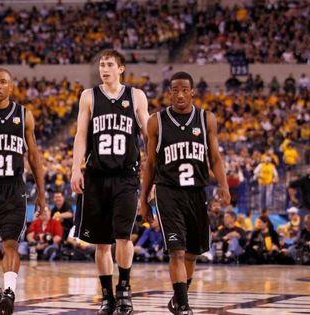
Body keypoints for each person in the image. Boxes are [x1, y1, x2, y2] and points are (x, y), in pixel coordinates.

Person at [139, 72, 230, 314]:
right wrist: (144, 200)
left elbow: (215, 158)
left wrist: (223, 186)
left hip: (197, 193)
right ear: (170, 93)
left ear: (192, 92)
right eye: (175, 90)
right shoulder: (156, 122)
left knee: (192, 254)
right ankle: (184, 307)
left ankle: (178, 299)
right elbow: (150, 164)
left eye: (184, 90)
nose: (179, 94)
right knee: (177, 251)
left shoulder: (206, 119)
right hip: (168, 192)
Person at [70, 49, 149, 314]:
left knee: (124, 237)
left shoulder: (136, 96)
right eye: (102, 64)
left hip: (126, 175)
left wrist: (154, 168)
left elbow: (149, 134)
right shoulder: (89, 96)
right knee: (102, 243)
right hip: (96, 175)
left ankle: (124, 290)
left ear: (121, 68)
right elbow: (81, 135)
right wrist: (75, 169)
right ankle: (107, 295)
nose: (104, 68)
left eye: (110, 64)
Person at [0, 68, 46, 315]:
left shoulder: (24, 115)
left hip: (14, 187)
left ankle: (9, 292)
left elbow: (34, 156)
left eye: (3, 82)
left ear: (11, 87)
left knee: (11, 243)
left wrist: (42, 193)